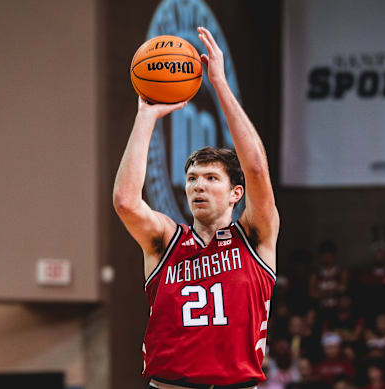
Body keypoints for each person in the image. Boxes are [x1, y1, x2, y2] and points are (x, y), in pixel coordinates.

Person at [113, 27, 279, 388]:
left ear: (237, 193)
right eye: (191, 179)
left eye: (210, 178)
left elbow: (256, 169)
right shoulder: (164, 241)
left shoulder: (255, 235)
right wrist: (146, 116)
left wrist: (219, 83)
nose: (198, 185)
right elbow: (126, 202)